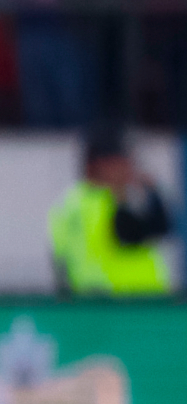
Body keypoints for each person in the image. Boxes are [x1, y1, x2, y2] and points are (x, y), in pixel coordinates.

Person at [50, 126, 174, 297]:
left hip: (89, 308)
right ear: (102, 165)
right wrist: (152, 193)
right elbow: (153, 229)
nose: (130, 167)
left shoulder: (66, 206)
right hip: (131, 304)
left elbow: (59, 264)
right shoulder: (107, 201)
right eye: (123, 161)